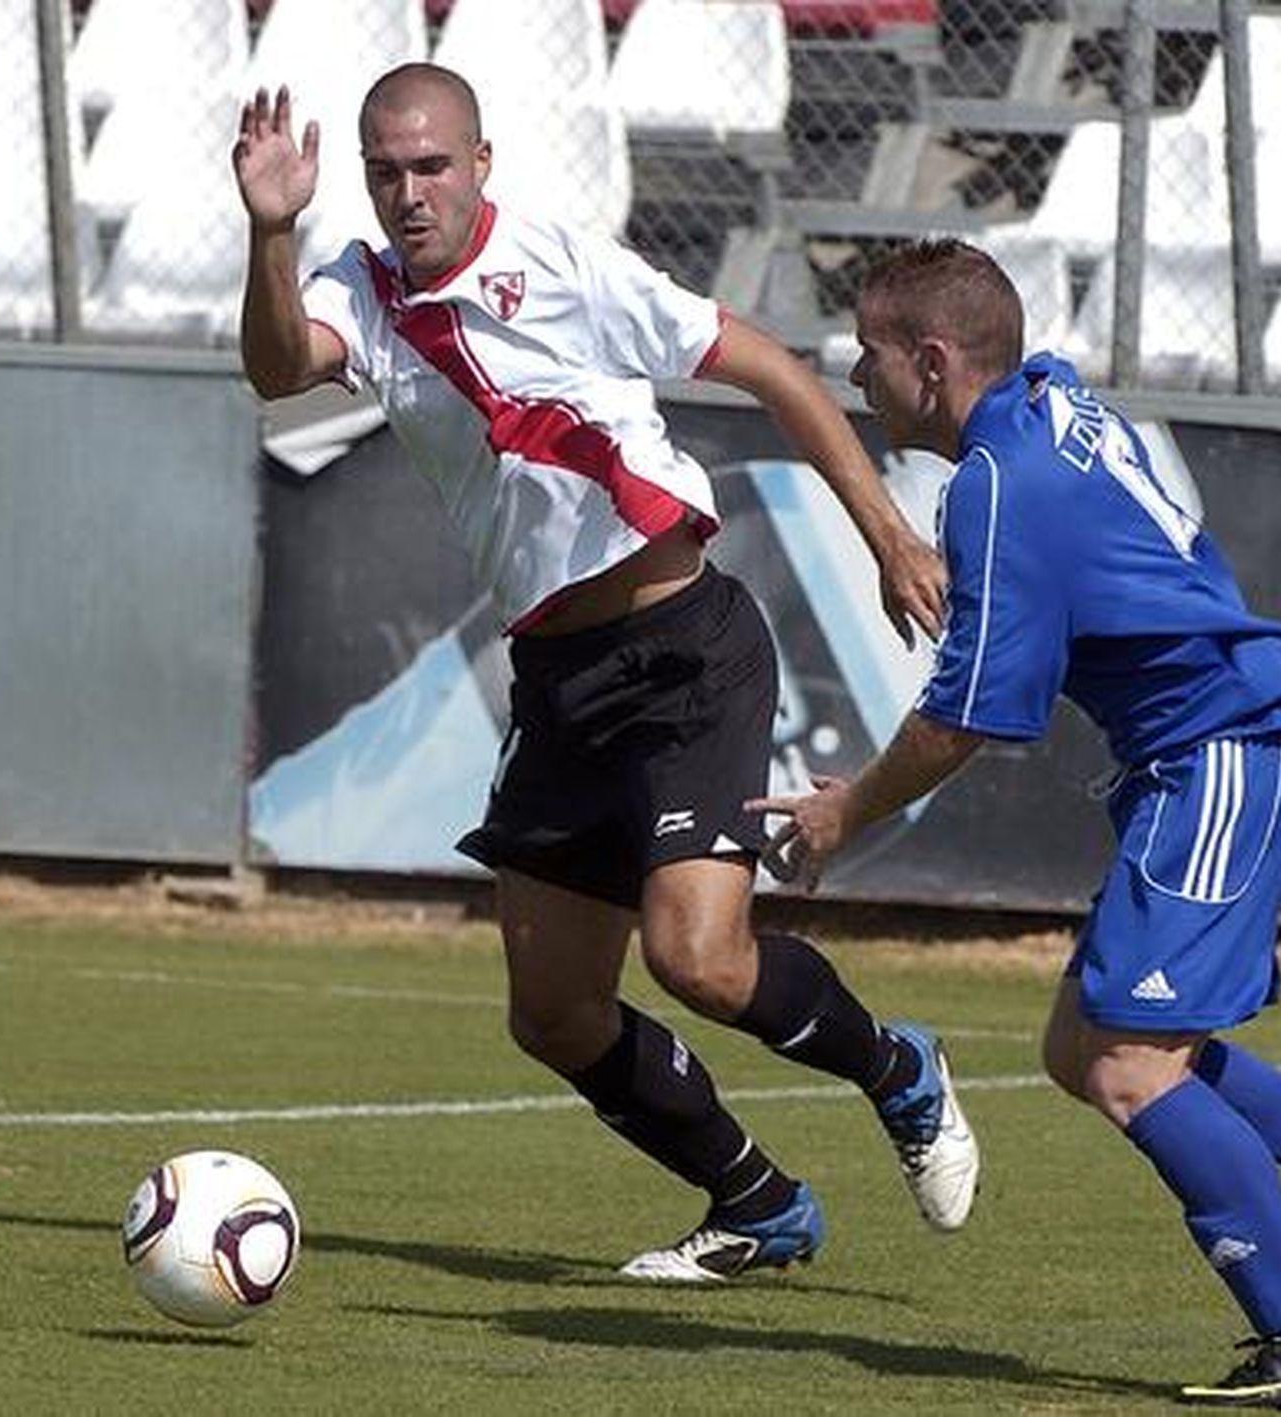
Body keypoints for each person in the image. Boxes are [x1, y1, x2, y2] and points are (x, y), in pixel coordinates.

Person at [229, 65, 979, 1281]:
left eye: (431, 166)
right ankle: (756, 1200)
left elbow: (777, 372)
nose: (409, 192)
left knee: (698, 960)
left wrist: (891, 534)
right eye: (385, 172)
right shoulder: (355, 290)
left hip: (687, 647)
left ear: (480, 162)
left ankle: (899, 1069)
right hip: (559, 676)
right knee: (553, 1011)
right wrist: (272, 231)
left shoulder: (566, 268)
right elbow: (275, 366)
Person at [752, 240, 1281, 1404]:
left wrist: (841, 816)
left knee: (1128, 1063)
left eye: (866, 350)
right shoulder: (1049, 399)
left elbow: (964, 720)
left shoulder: (996, 485)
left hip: (1226, 755)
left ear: (929, 360)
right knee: (1079, 1048)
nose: (852, 372)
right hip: (1217, 753)